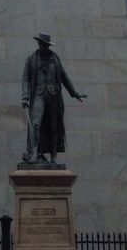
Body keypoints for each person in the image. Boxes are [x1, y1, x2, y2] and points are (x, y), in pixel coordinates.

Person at [20, 33, 86, 165]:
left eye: (44, 44)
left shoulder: (55, 59)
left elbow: (64, 76)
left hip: (53, 96)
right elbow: (25, 79)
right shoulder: (31, 59)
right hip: (38, 95)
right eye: (40, 44)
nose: (41, 46)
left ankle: (54, 157)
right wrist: (25, 96)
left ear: (48, 45)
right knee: (36, 124)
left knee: (53, 127)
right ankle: (33, 153)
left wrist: (74, 93)